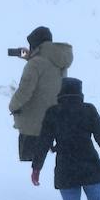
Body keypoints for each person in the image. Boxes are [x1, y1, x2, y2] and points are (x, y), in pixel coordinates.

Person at [30, 77, 100, 200]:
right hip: (91, 167)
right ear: (80, 92)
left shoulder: (53, 113)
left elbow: (43, 142)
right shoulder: (89, 110)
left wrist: (36, 168)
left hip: (66, 170)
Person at [8, 26, 73, 162]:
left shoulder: (35, 64)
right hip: (52, 123)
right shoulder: (60, 61)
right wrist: (31, 57)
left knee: (29, 169)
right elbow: (47, 72)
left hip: (32, 127)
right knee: (45, 169)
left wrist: (12, 106)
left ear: (36, 44)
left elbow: (24, 92)